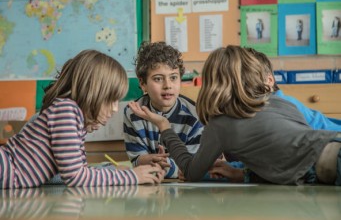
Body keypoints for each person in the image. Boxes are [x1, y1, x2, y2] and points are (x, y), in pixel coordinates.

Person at [129, 45, 341, 185]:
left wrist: (164, 126)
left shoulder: (220, 125)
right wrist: (243, 173)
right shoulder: (280, 101)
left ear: (212, 83)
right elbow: (283, 160)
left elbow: (191, 172)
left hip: (330, 163)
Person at [0, 50, 164, 189]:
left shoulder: (71, 117)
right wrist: (131, 177)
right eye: (111, 100)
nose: (115, 108)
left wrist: (116, 172)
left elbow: (73, 172)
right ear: (92, 92)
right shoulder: (66, 111)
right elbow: (76, 177)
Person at [123, 41, 203, 178]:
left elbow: (193, 166)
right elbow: (136, 159)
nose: (168, 85)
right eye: (158, 79)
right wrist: (148, 160)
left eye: (173, 77)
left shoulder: (195, 116)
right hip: (148, 185)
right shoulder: (133, 112)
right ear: (143, 84)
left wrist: (163, 167)